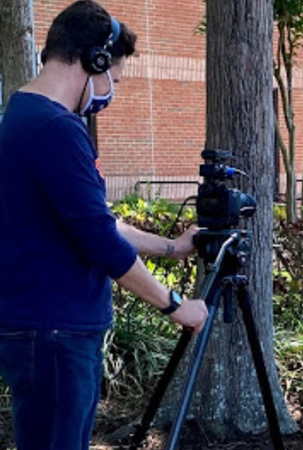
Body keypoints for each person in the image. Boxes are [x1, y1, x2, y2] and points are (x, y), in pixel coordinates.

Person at [0, 2, 209, 450]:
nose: (111, 89)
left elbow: (97, 220)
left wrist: (174, 247)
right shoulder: (53, 128)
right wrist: (175, 306)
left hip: (48, 329)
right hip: (55, 331)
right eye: (113, 76)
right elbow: (99, 239)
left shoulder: (27, 116)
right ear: (93, 60)